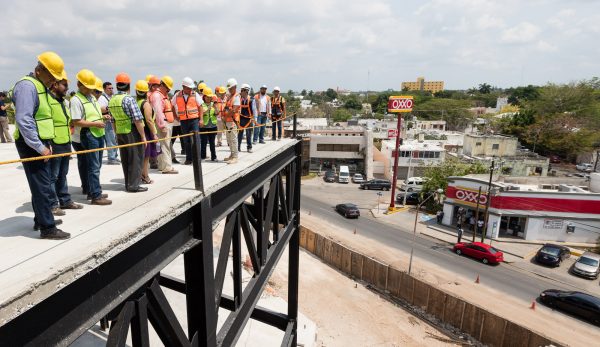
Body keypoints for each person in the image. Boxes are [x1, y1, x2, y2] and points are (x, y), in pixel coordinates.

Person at [13, 51, 69, 239]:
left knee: (40, 184)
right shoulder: (27, 87)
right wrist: (40, 146)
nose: (54, 80)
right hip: (30, 144)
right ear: (39, 70)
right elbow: (24, 120)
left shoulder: (40, 86)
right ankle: (48, 228)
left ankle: (41, 218)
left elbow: (42, 118)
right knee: (43, 186)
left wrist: (46, 143)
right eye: (51, 76)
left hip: (40, 142)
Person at [71, 69, 112, 205]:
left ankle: (92, 189)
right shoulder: (76, 100)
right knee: (93, 166)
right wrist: (95, 124)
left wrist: (102, 117)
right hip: (89, 134)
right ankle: (96, 195)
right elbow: (76, 121)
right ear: (79, 85)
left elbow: (93, 113)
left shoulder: (91, 97)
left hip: (98, 133)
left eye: (91, 87)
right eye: (87, 87)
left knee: (97, 164)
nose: (90, 90)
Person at [48, 76, 83, 216]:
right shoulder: (48, 101)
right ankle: (52, 204)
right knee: (52, 176)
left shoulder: (63, 101)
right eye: (64, 85)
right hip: (54, 143)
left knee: (62, 174)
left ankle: (65, 200)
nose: (67, 88)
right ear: (55, 84)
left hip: (65, 142)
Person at [108, 73, 147, 193]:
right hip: (131, 132)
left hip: (120, 132)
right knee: (135, 158)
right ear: (128, 85)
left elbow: (113, 120)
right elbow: (138, 120)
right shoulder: (129, 99)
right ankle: (134, 185)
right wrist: (143, 136)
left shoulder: (112, 99)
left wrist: (116, 133)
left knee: (125, 159)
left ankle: (128, 184)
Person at [171, 77, 203, 165]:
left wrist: (201, 119)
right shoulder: (177, 95)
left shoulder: (195, 94)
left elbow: (200, 106)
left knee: (196, 139)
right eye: (189, 88)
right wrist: (175, 116)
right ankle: (189, 159)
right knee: (186, 140)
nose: (190, 90)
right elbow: (171, 105)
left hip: (194, 120)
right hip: (183, 121)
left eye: (191, 88)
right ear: (183, 87)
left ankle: (197, 159)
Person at [150, 75, 178, 174]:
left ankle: (163, 166)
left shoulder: (159, 95)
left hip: (165, 123)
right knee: (165, 146)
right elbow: (158, 111)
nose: (168, 91)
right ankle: (167, 167)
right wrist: (162, 126)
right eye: (167, 89)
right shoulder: (157, 96)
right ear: (162, 85)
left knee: (163, 145)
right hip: (163, 124)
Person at [135, 80, 159, 184]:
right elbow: (149, 120)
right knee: (146, 156)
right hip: (146, 132)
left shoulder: (135, 102)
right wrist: (154, 133)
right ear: (146, 92)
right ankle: (145, 176)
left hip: (137, 130)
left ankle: (140, 174)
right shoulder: (146, 104)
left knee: (140, 155)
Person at [97, 81, 118, 165]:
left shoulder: (112, 97)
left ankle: (114, 156)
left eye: (112, 88)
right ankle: (111, 158)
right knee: (110, 140)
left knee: (114, 139)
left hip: (112, 120)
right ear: (104, 89)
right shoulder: (102, 98)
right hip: (107, 121)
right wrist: (110, 107)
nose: (111, 89)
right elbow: (100, 109)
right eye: (109, 88)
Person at [223, 78, 240, 164]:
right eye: (229, 88)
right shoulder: (229, 97)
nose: (229, 90)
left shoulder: (236, 97)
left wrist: (226, 114)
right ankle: (231, 154)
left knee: (233, 140)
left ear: (235, 87)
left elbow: (234, 110)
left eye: (231, 88)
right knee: (229, 140)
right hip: (227, 121)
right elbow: (226, 108)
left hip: (233, 121)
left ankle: (235, 157)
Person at [199, 87, 219, 161]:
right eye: (207, 96)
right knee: (203, 142)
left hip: (213, 126)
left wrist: (216, 108)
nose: (209, 98)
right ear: (204, 96)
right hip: (204, 126)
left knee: (212, 143)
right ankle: (203, 156)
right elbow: (202, 113)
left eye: (210, 97)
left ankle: (214, 157)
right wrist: (209, 108)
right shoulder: (201, 104)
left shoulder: (213, 104)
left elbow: (217, 113)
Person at [237, 84, 256, 153]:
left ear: (246, 91)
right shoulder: (239, 99)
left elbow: (254, 110)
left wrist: (254, 119)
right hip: (241, 118)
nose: (241, 92)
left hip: (249, 119)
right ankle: (238, 147)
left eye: (242, 90)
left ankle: (249, 147)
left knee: (248, 134)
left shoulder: (251, 99)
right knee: (240, 133)